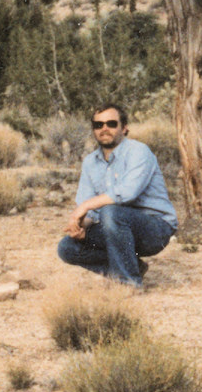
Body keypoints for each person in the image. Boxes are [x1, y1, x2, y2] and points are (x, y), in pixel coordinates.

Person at [56, 102, 177, 289]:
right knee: (67, 247)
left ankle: (128, 284)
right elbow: (90, 213)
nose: (104, 129)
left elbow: (128, 192)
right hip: (116, 229)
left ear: (124, 127)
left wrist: (86, 206)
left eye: (111, 123)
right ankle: (133, 266)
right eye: (98, 125)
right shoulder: (90, 163)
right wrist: (80, 226)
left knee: (111, 211)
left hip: (155, 230)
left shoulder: (138, 151)